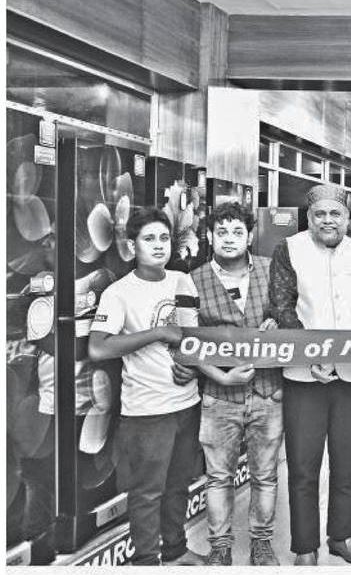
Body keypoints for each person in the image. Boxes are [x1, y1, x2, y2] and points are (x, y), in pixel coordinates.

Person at [88, 207, 204, 566]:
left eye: (164, 238)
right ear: (131, 245)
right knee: (147, 492)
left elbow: (192, 336)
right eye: (149, 238)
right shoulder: (119, 293)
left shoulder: (182, 281)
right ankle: (146, 562)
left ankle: (176, 550)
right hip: (147, 410)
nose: (158, 245)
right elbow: (98, 347)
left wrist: (193, 368)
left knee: (179, 484)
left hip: (186, 402)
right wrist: (156, 332)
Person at [269, 184, 351, 566]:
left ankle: (344, 537)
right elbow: (282, 306)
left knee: (348, 464)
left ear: (349, 218)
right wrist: (310, 353)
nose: (328, 221)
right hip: (303, 376)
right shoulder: (289, 249)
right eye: (320, 215)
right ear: (309, 218)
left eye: (336, 214)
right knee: (303, 466)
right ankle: (305, 547)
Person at [188, 202, 282, 566]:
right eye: (221, 232)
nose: (229, 239)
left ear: (250, 236)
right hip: (218, 395)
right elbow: (187, 341)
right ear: (210, 236)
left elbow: (290, 314)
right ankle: (220, 547)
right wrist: (220, 375)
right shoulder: (193, 279)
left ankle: (262, 544)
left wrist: (278, 323)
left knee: (266, 476)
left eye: (237, 232)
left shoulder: (272, 269)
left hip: (268, 391)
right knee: (218, 477)